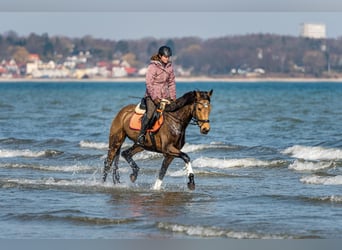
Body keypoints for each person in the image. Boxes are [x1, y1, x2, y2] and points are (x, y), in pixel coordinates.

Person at [136, 45, 176, 145]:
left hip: (165, 96)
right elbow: (149, 84)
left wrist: (173, 98)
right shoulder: (152, 67)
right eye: (165, 57)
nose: (167, 59)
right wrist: (155, 98)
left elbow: (171, 83)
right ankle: (141, 135)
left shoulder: (170, 68)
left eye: (168, 57)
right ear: (160, 56)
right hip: (151, 96)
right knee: (150, 114)